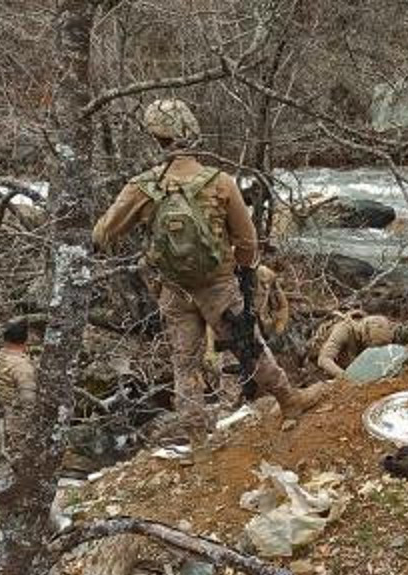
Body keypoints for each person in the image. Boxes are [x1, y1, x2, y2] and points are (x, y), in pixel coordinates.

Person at [92, 99, 325, 454]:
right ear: (193, 134)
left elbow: (103, 234)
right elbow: (247, 242)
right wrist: (243, 272)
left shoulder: (143, 186)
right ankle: (289, 401)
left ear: (157, 139)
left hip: (172, 290)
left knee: (184, 366)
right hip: (219, 286)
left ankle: (198, 444)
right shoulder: (221, 182)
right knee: (250, 346)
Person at [316, 311, 408, 379]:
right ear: (365, 337)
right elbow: (323, 359)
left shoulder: (384, 326)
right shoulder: (344, 330)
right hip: (322, 367)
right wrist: (345, 378)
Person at [0, 318, 37, 450]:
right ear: (26, 339)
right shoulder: (22, 366)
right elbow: (28, 399)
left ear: (4, 338)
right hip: (17, 423)